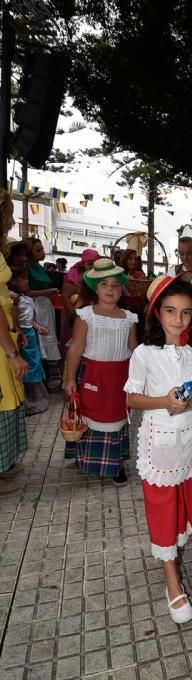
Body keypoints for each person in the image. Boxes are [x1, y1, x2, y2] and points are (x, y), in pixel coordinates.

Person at [125, 275, 192, 623]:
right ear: (156, 313)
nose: (178, 320)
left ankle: (177, 547)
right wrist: (164, 402)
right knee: (164, 504)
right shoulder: (143, 353)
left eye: (185, 313)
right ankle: (172, 579)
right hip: (160, 443)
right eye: (170, 311)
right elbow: (132, 397)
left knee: (187, 495)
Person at [64, 258, 138, 484]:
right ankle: (87, 458)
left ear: (121, 289)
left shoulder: (129, 318)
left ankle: (116, 464)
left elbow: (134, 350)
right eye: (104, 284)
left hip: (120, 378)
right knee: (91, 414)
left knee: (117, 417)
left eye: (115, 285)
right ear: (95, 287)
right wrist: (69, 379)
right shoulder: (86, 315)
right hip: (94, 375)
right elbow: (76, 348)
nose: (110, 289)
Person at [0, 191, 29, 494]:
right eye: (7, 215)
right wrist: (10, 352)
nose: (10, 222)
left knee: (9, 397)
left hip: (5, 330)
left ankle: (3, 463)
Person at [7, 267, 49, 416]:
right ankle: (30, 401)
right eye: (22, 279)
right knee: (28, 364)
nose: (27, 281)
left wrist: (38, 327)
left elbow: (30, 319)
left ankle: (36, 399)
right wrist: (19, 332)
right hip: (23, 335)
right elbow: (15, 319)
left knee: (35, 363)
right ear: (12, 281)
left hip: (30, 334)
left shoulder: (25, 298)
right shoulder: (14, 299)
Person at [25, 238, 62, 388]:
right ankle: (41, 379)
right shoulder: (27, 269)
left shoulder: (38, 267)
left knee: (49, 338)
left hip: (45, 306)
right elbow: (26, 292)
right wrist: (48, 291)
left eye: (42, 249)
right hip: (35, 306)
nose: (42, 253)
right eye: (37, 250)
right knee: (41, 339)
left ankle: (49, 377)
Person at [60, 249, 101, 352]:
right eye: (90, 264)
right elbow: (65, 297)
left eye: (95, 265)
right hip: (75, 314)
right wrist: (75, 317)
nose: (93, 268)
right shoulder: (73, 275)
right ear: (84, 264)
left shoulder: (99, 275)